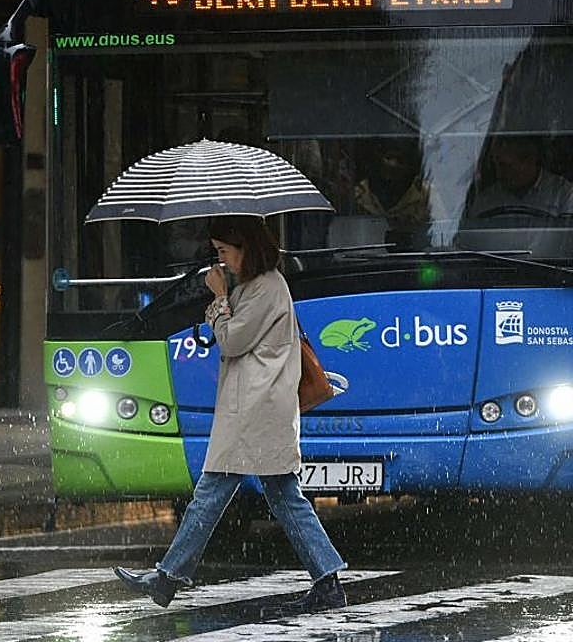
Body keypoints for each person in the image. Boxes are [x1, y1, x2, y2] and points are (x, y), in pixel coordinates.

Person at [114, 215, 348, 617]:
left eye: (224, 251)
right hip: (259, 408)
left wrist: (221, 298)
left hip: (254, 411)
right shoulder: (259, 287)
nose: (219, 260)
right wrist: (224, 301)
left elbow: (233, 340)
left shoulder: (266, 287)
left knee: (211, 494)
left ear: (246, 248)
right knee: (284, 498)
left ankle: (167, 579)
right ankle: (327, 582)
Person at [468, 135, 573, 219]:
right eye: (497, 165)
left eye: (506, 166)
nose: (500, 173)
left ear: (529, 160)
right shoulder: (486, 200)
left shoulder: (566, 196)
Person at [354, 142, 430, 247]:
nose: (393, 164)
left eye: (400, 160)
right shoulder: (360, 193)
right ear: (378, 159)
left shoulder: (425, 193)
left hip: (417, 257)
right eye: (389, 158)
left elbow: (441, 230)